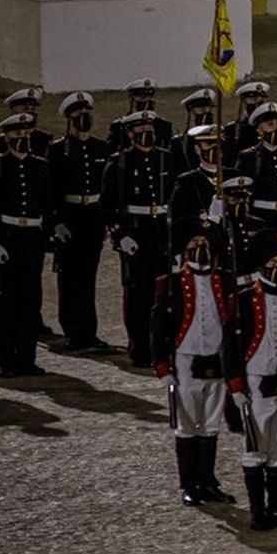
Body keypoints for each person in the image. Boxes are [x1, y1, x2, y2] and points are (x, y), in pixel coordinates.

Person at [224, 230, 277, 531]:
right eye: (272, 262)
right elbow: (230, 347)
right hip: (255, 381)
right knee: (256, 445)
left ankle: (276, 506)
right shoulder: (244, 300)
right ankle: (259, 511)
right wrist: (235, 387)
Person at [152, 216, 234, 507]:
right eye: (195, 243)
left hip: (217, 358)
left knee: (211, 424)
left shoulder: (223, 280)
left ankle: (208, 481)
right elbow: (159, 326)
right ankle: (189, 484)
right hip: (185, 360)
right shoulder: (172, 283)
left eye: (205, 243)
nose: (201, 248)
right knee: (187, 424)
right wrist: (161, 365)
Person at [103, 109, 180, 367]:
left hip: (161, 231)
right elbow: (108, 205)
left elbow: (174, 199)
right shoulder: (120, 162)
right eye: (140, 129)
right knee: (138, 294)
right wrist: (119, 234)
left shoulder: (166, 160)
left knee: (163, 293)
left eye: (150, 128)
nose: (146, 133)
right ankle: (140, 348)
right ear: (130, 133)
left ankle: (161, 346)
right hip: (136, 233)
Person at [48, 91, 113, 351]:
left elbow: (105, 187)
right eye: (78, 116)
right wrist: (57, 222)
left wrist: (105, 220)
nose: (84, 119)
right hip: (70, 217)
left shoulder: (100, 148)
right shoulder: (57, 150)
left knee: (88, 278)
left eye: (87, 114)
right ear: (70, 120)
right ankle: (73, 332)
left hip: (92, 217)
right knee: (69, 278)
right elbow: (51, 190)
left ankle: (89, 333)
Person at [0, 112, 51, 376]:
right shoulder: (1, 166)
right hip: (7, 237)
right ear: (6, 137)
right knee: (6, 302)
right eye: (17, 135)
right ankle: (6, 360)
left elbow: (47, 206)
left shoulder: (40, 166)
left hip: (32, 237)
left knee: (31, 301)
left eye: (26, 135)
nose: (22, 139)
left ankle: (27, 359)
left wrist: (49, 245)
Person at [238, 102, 277, 234]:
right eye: (270, 124)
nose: (275, 128)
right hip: (262, 215)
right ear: (259, 130)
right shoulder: (250, 156)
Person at [222, 81, 270, 163]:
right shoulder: (233, 130)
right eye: (252, 101)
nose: (256, 107)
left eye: (260, 102)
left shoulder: (269, 127)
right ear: (243, 103)